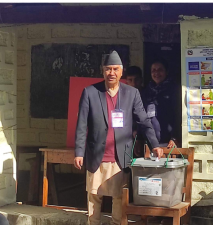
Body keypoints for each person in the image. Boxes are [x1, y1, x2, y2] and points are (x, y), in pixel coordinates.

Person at [74, 51, 163, 225]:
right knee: (94, 198)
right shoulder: (90, 92)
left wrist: (154, 145)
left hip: (120, 157)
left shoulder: (132, 93)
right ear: (103, 71)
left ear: (121, 72)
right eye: (108, 69)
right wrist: (78, 152)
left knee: (118, 199)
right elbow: (81, 124)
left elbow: (143, 120)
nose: (111, 73)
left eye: (115, 69)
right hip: (96, 156)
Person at [141, 58, 181, 148]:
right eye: (153, 70)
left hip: (169, 142)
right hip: (150, 142)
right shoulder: (146, 92)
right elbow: (141, 117)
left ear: (166, 72)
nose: (156, 73)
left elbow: (178, 115)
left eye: (160, 70)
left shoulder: (174, 90)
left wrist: (175, 137)